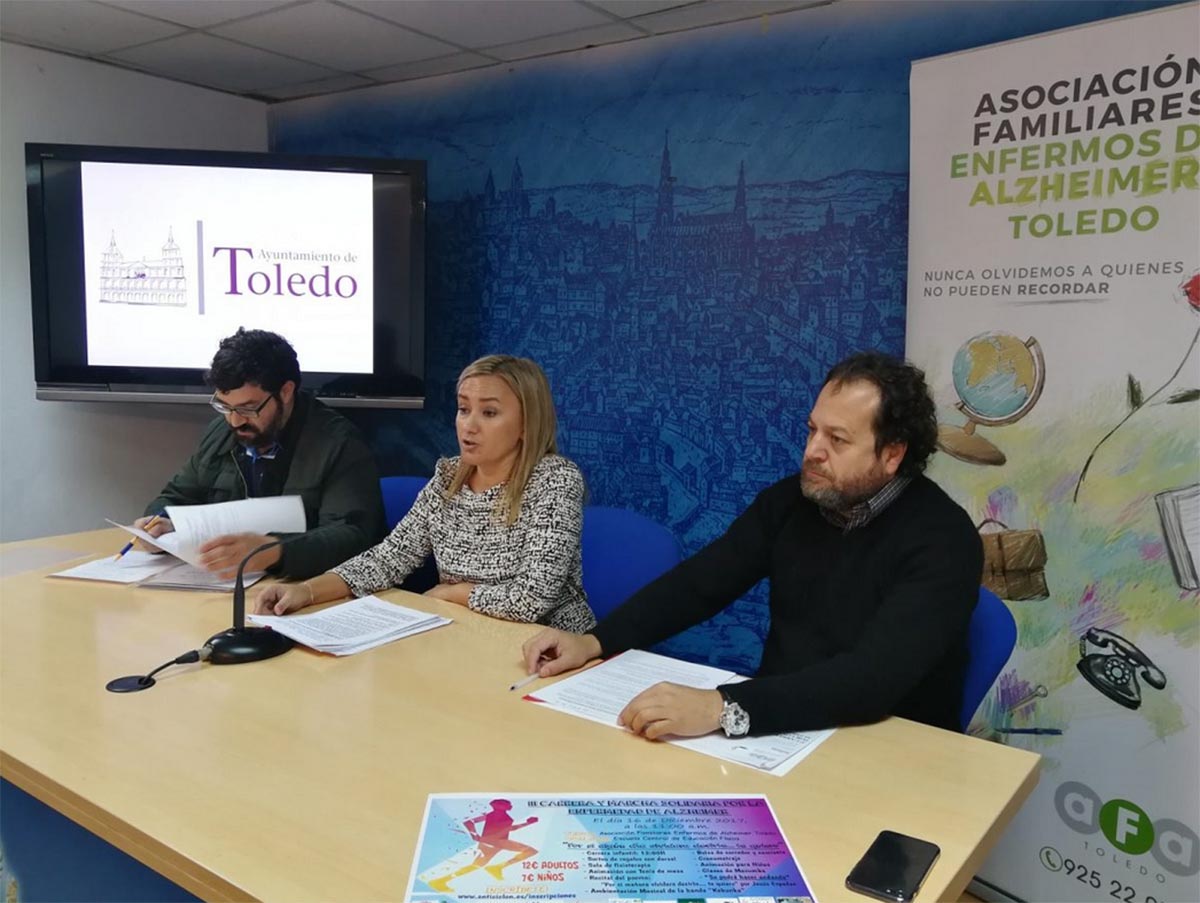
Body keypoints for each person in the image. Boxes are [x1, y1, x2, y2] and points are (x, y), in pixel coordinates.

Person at [522, 351, 983, 738]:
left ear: (892, 454)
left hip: (893, 747)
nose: (812, 451)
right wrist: (595, 640)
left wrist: (723, 708)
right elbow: (701, 583)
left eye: (837, 439)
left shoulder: (945, 540)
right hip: (782, 731)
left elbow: (872, 679)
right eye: (812, 430)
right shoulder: (793, 500)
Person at [254, 354, 595, 633]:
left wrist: (455, 593)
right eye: (464, 409)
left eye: (489, 412)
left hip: (549, 652)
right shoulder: (448, 478)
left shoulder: (554, 480)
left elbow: (531, 599)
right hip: (467, 637)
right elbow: (389, 558)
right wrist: (306, 590)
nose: (469, 425)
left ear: (526, 424)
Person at [137, 328, 385, 580]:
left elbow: (351, 537)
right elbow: (175, 496)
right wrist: (160, 523)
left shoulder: (337, 443)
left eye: (249, 408)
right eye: (225, 406)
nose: (234, 421)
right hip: (229, 583)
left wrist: (273, 552)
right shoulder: (220, 433)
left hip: (308, 588)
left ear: (286, 392)